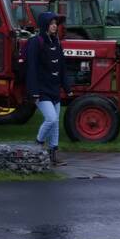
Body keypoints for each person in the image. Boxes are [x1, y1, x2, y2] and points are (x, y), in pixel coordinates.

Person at [26, 11, 68, 166]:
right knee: (51, 119)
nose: (55, 26)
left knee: (55, 122)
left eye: (56, 23)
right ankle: (38, 143)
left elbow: (62, 66)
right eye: (51, 23)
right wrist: (34, 91)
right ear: (45, 25)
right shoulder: (35, 42)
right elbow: (32, 68)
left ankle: (53, 154)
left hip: (54, 89)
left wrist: (67, 86)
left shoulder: (56, 42)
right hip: (41, 90)